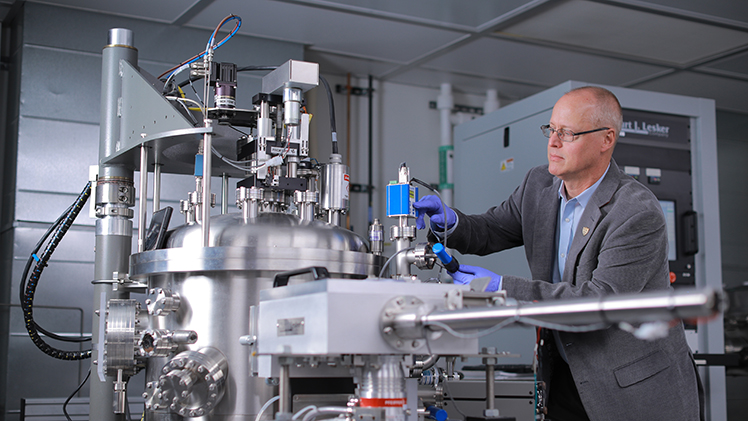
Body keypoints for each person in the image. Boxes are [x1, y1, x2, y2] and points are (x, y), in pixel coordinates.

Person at [414, 86, 703, 421]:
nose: (553, 142)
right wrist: (450, 222)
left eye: (567, 133)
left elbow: (598, 304)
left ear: (606, 139)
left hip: (635, 391)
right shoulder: (539, 187)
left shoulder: (636, 212)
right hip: (567, 376)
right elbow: (491, 230)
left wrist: (501, 288)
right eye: (551, 130)